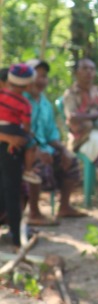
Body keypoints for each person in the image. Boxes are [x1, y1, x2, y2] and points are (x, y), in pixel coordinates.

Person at [24, 59, 86, 225]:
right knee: (37, 164)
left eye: (44, 76)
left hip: (45, 149)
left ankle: (64, 206)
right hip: (24, 151)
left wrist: (63, 150)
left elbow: (51, 134)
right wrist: (35, 151)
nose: (40, 80)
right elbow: (18, 132)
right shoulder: (20, 100)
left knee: (70, 160)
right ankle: (34, 212)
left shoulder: (45, 104)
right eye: (36, 75)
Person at [0, 63, 35, 249]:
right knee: (12, 191)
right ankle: (16, 240)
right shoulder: (24, 103)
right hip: (10, 148)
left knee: (6, 191)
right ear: (28, 85)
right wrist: (13, 137)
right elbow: (26, 127)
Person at [60, 58, 98, 136]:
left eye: (92, 69)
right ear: (76, 73)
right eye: (85, 68)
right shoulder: (71, 94)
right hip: (81, 138)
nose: (89, 71)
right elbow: (72, 117)